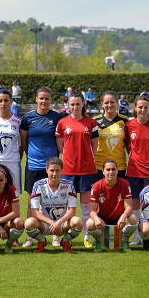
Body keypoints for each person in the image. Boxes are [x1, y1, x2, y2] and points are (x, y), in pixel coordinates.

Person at [19, 87, 63, 247]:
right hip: (33, 166)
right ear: (36, 99)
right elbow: (24, 142)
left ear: (51, 100)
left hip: (51, 167)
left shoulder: (57, 118)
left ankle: (55, 235)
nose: (44, 101)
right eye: (41, 98)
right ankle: (31, 236)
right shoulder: (28, 118)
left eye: (47, 99)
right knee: (32, 202)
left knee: (54, 202)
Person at [56, 90, 99, 248]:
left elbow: (95, 144)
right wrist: (69, 157)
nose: (75, 107)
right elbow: (60, 145)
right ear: (68, 105)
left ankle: (87, 237)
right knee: (68, 207)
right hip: (68, 170)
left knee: (86, 207)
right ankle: (67, 238)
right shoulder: (62, 122)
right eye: (72, 104)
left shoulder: (91, 123)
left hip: (87, 170)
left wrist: (86, 157)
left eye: (77, 104)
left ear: (83, 104)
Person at [24, 157, 83, 253]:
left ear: (62, 171)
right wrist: (51, 223)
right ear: (47, 170)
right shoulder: (38, 185)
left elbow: (72, 210)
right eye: (52, 170)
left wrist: (59, 223)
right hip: (45, 224)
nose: (54, 174)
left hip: (62, 224)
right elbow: (34, 211)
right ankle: (42, 241)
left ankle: (65, 241)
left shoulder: (69, 185)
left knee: (78, 222)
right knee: (28, 223)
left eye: (57, 170)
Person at [124, 95, 149, 246]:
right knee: (135, 204)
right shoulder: (129, 125)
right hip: (133, 171)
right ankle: (137, 235)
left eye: (145, 107)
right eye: (140, 107)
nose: (143, 110)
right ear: (135, 108)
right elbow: (127, 146)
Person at [86, 159, 138, 252]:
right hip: (103, 219)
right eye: (108, 169)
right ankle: (99, 241)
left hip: (119, 219)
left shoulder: (124, 183)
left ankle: (124, 240)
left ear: (117, 171)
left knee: (133, 218)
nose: (111, 172)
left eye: (113, 169)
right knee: (90, 223)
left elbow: (130, 206)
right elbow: (92, 211)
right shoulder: (96, 186)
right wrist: (97, 219)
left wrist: (124, 216)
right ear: (103, 171)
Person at [93, 91, 129, 180]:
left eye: (112, 102)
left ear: (117, 102)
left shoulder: (125, 121)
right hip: (99, 166)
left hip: (119, 166)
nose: (109, 105)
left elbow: (129, 145)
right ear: (102, 104)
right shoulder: (94, 121)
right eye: (106, 102)